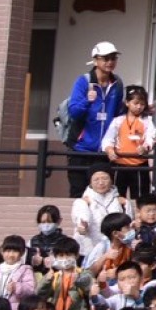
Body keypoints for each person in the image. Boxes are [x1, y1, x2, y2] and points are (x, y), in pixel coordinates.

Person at [62, 41, 126, 196]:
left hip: (104, 150)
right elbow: (74, 112)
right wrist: (87, 100)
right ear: (95, 60)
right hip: (81, 148)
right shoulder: (83, 81)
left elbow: (118, 113)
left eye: (113, 58)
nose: (110, 62)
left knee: (103, 194)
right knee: (79, 193)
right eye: (105, 58)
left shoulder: (117, 84)